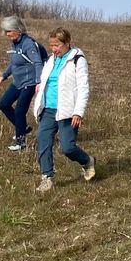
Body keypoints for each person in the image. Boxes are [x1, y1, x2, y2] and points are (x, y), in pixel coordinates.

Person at [32, 27, 94, 193]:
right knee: (43, 141)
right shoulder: (51, 59)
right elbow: (46, 79)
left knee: (68, 148)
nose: (54, 49)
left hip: (67, 110)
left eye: (57, 45)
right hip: (48, 109)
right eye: (51, 45)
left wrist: (78, 112)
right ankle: (47, 177)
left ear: (67, 43)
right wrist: (40, 88)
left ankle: (87, 161)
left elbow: (83, 87)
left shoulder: (77, 59)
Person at [0, 16, 44, 151]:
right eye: (6, 31)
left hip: (29, 83)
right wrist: (3, 76)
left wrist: (39, 82)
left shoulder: (28, 43)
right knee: (3, 104)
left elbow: (38, 62)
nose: (7, 34)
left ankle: (20, 143)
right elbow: (14, 62)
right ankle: (23, 128)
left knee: (20, 111)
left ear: (18, 30)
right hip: (18, 82)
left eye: (9, 31)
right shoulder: (15, 43)